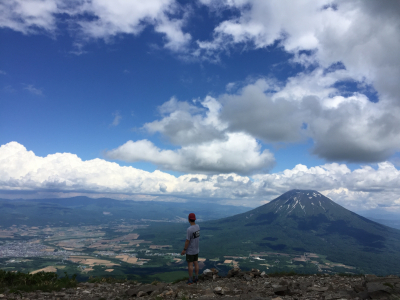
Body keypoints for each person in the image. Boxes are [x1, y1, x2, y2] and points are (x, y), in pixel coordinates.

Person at [181, 212, 200, 285]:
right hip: (196, 249)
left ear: (189, 219)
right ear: (194, 219)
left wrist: (184, 250)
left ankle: (190, 279)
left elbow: (187, 240)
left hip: (190, 250)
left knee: (190, 265)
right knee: (196, 263)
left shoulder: (189, 229)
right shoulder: (198, 226)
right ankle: (197, 278)